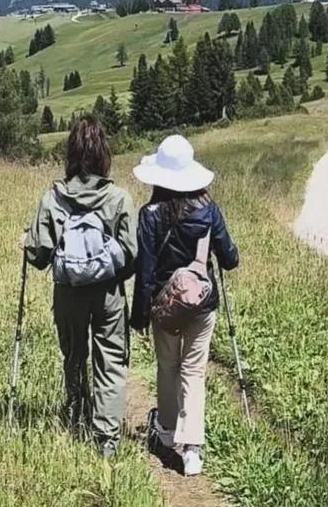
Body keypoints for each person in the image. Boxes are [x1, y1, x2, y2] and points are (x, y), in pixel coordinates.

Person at [24, 114, 137, 458]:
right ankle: (107, 439)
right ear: (104, 153)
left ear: (71, 153)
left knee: (74, 355)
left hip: (68, 292)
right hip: (107, 294)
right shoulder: (118, 198)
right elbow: (131, 255)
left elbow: (39, 255)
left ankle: (76, 415)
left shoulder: (53, 198)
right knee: (110, 361)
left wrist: (26, 244)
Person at [131, 134, 238, 476]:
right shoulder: (209, 211)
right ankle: (192, 449)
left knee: (167, 367)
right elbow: (231, 258)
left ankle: (164, 433)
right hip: (202, 304)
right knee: (193, 370)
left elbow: (144, 271)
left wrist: (139, 315)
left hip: (164, 305)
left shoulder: (149, 215)